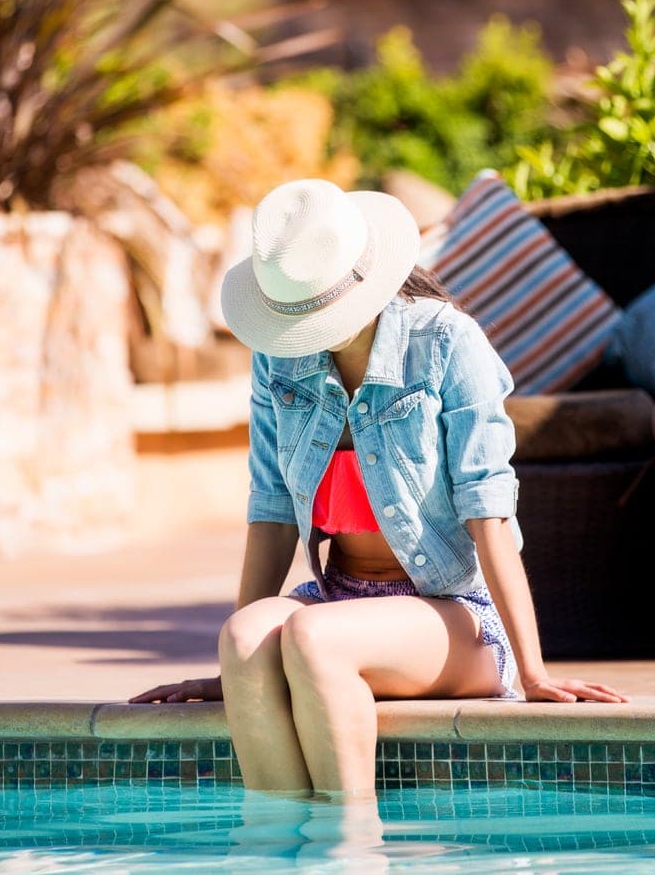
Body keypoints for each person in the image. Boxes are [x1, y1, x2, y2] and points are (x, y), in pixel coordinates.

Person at [130, 179, 628, 795]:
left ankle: (350, 847)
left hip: (453, 615)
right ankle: (281, 846)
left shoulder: (445, 342)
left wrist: (532, 670)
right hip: (338, 600)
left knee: (314, 638)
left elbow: (489, 510)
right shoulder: (278, 356)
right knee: (242, 635)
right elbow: (272, 508)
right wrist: (236, 671)